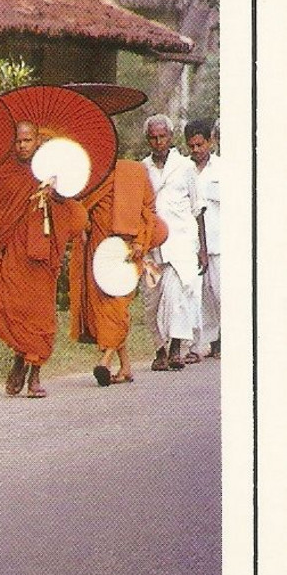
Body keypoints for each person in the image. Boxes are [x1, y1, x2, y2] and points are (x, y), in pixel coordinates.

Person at [0, 120, 86, 398]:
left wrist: (56, 195)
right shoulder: (7, 172)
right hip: (14, 252)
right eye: (18, 141)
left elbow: (73, 214)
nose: (22, 146)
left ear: (37, 141)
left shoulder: (53, 171)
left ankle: (35, 373)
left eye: (27, 141)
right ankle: (20, 357)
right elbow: (0, 213)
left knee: (40, 313)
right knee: (11, 309)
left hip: (41, 255)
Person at [69, 155, 165, 385]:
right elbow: (82, 215)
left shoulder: (133, 172)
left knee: (118, 305)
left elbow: (147, 212)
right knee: (104, 306)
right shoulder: (90, 177)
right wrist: (82, 226)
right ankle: (126, 368)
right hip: (98, 252)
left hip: (127, 250)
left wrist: (141, 241)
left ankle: (106, 359)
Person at [141, 114, 206, 371]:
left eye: (162, 137)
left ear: (170, 137)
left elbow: (198, 209)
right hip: (150, 244)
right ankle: (159, 349)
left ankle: (176, 348)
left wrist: (201, 249)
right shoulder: (141, 168)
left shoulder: (185, 167)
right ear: (148, 140)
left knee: (177, 294)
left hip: (180, 242)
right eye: (153, 138)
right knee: (151, 300)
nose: (158, 142)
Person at [186, 119, 221, 360]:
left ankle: (225, 338)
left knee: (220, 292)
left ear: (210, 142)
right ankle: (202, 344)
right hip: (193, 243)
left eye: (201, 144)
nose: (197, 150)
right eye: (192, 146)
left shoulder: (223, 168)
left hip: (220, 242)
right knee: (199, 296)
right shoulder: (184, 170)